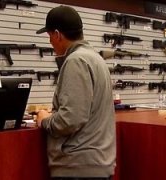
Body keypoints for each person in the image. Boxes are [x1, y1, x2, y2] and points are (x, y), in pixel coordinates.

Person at [35, 5, 116, 180]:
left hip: (78, 166)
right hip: (96, 163)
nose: (50, 42)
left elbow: (70, 119)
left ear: (57, 34)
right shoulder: (96, 58)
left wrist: (44, 120)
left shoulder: (76, 61)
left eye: (50, 36)